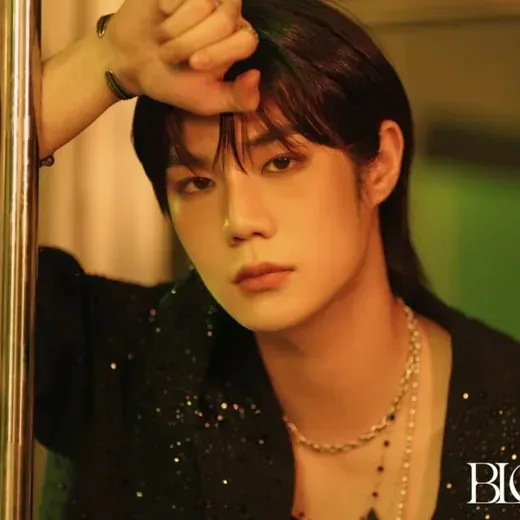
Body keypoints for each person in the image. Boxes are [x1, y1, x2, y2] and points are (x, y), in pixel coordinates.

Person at [33, 0, 520, 519]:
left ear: (380, 165)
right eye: (196, 183)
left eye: (281, 162)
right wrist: (106, 60)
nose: (239, 220)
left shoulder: (505, 415)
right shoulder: (123, 364)